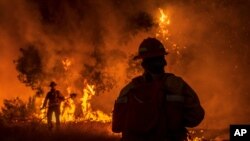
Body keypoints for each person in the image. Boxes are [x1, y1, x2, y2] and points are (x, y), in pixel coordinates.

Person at [112, 37, 205, 141]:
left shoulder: (129, 89)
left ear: (143, 64)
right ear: (164, 61)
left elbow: (117, 126)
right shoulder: (177, 84)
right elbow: (196, 117)